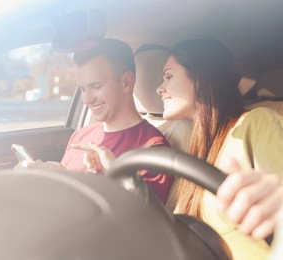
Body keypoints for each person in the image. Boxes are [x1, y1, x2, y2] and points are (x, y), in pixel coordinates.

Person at [156, 37, 283, 259]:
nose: (160, 88)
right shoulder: (197, 148)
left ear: (200, 78)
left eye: (168, 76)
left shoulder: (257, 123)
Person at [21, 38, 173, 203]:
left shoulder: (152, 149)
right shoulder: (80, 135)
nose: (87, 99)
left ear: (126, 83)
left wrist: (68, 180)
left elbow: (142, 219)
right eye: (82, 89)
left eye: (96, 86)